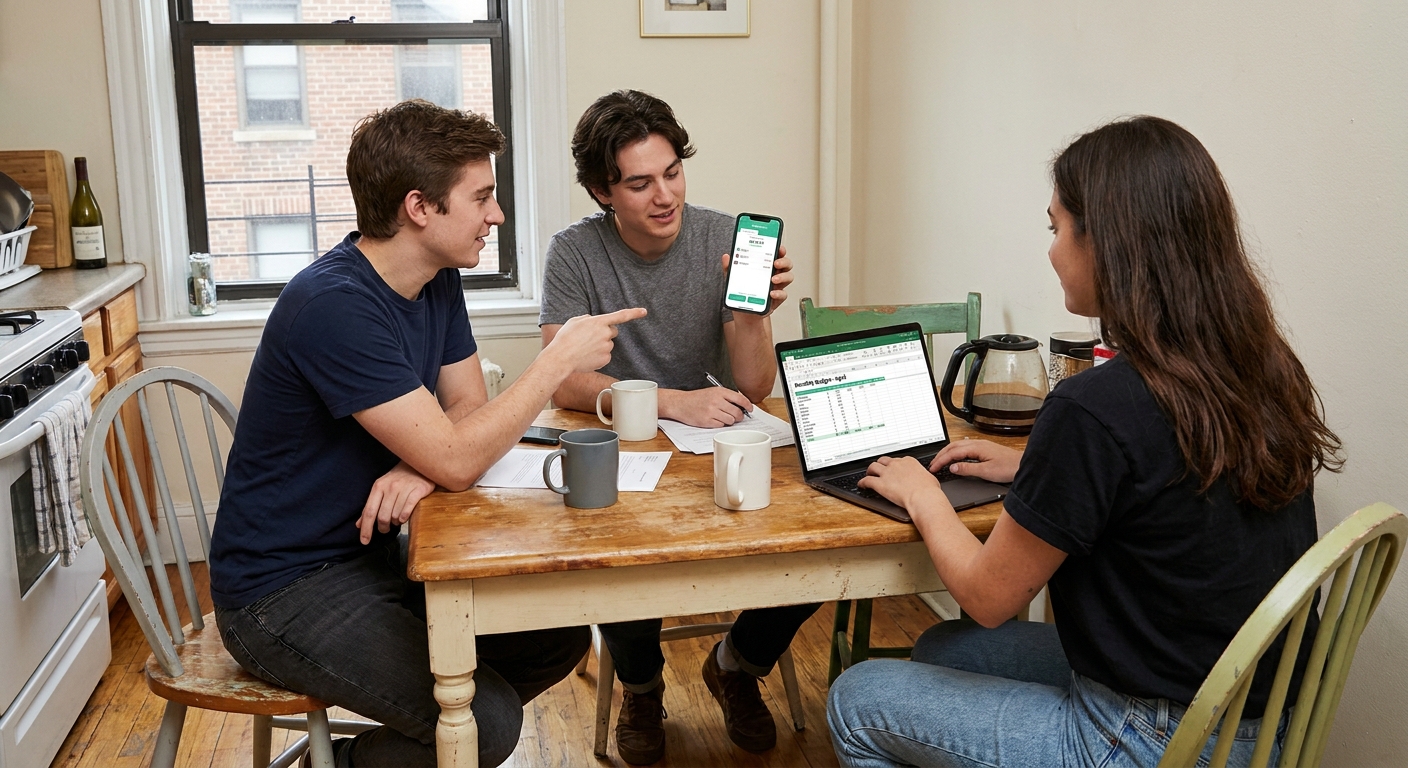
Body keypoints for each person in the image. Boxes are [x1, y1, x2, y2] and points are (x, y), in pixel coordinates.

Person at [826, 116, 1344, 768]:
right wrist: (1033, 470)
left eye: (1057, 227)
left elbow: (988, 600)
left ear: (1110, 243)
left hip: (1151, 739)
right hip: (1257, 723)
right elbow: (1172, 488)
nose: (1050, 250)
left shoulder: (1097, 405)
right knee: (945, 651)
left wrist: (923, 493)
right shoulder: (1262, 366)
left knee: (858, 696)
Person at [208, 100, 645, 768]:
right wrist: (553, 363)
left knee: (555, 636)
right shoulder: (333, 306)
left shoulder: (435, 280)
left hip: (370, 558)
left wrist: (426, 464)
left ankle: (430, 749)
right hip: (282, 589)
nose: (495, 215)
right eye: (482, 197)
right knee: (486, 724)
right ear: (419, 207)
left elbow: (468, 405)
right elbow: (459, 450)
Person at [538, 89, 820, 764]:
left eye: (672, 173)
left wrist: (756, 315)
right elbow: (560, 376)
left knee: (816, 546)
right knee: (613, 552)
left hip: (716, 438)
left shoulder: (722, 237)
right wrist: (671, 401)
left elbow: (753, 387)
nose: (664, 196)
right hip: (632, 448)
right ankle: (641, 686)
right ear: (603, 191)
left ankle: (736, 665)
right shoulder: (574, 252)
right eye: (639, 183)